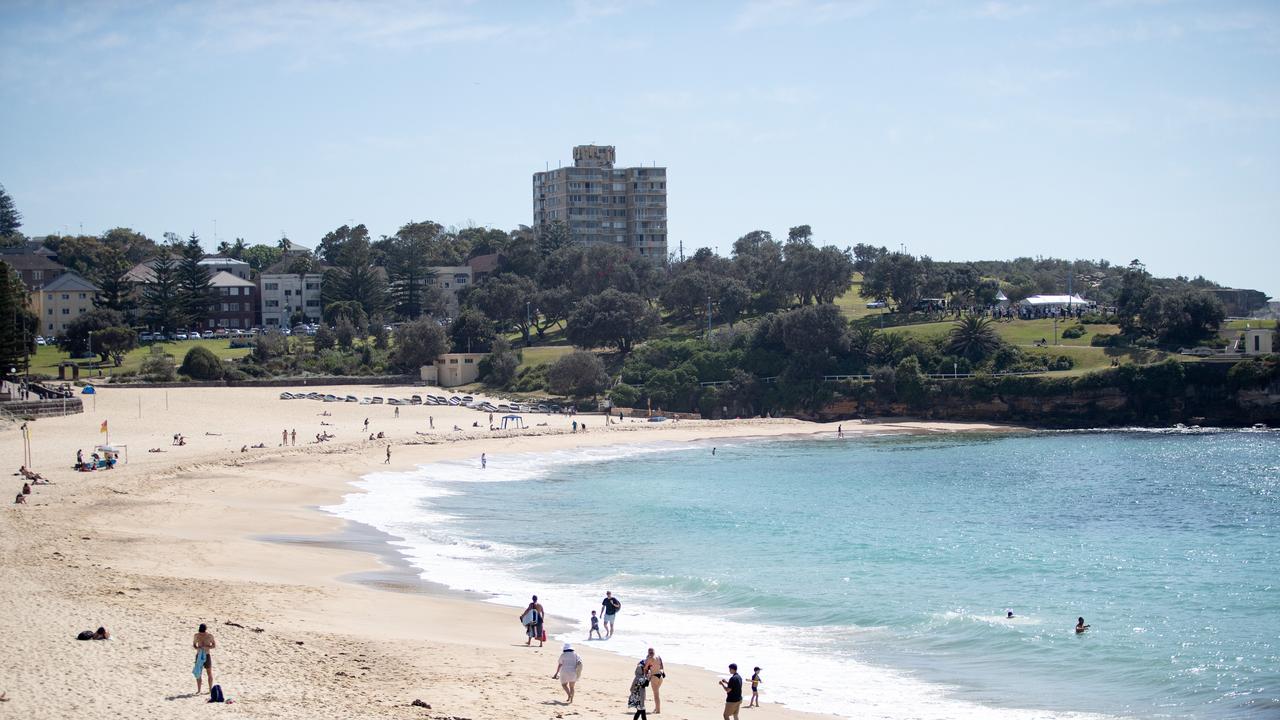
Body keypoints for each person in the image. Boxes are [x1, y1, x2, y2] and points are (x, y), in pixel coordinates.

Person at [192, 623, 216, 694]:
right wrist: (197, 648)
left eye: (203, 632)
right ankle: (199, 690)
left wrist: (207, 647)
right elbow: (194, 645)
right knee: (198, 672)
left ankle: (210, 689)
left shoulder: (209, 636)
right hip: (199, 655)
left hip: (207, 655)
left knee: (209, 673)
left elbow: (214, 645)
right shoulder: (196, 635)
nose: (202, 633)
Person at [644, 647, 665, 713]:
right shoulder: (658, 657)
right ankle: (656, 708)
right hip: (660, 677)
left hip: (654, 677)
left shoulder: (649, 659)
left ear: (648, 652)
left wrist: (646, 676)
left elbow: (645, 668)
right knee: (657, 693)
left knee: (656, 694)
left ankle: (658, 710)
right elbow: (662, 667)